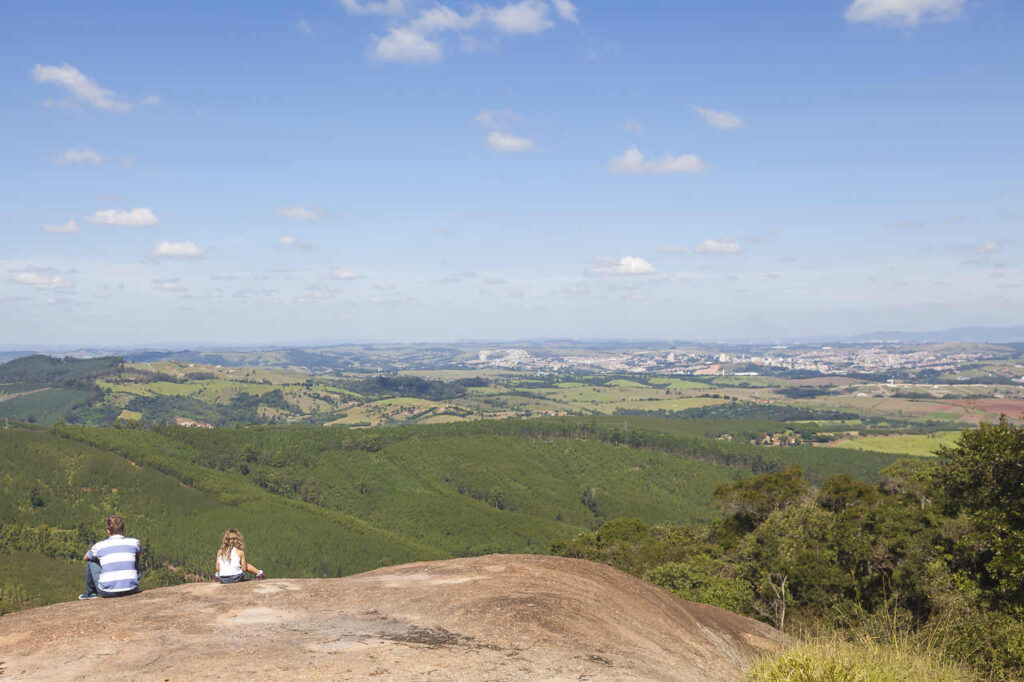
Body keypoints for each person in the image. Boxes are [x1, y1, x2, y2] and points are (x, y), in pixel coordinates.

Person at [79, 515, 142, 600]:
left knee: (91, 560)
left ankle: (91, 593)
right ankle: (129, 581)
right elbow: (140, 553)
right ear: (122, 530)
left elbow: (85, 557)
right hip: (131, 589)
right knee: (135, 555)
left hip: (107, 592)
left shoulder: (99, 546)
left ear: (108, 531)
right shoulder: (135, 542)